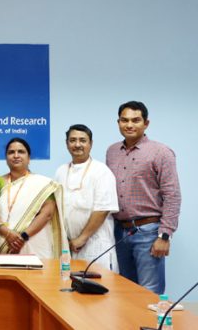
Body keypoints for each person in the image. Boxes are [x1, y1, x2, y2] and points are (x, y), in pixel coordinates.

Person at [106, 101, 181, 294]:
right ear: (118, 122)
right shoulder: (112, 152)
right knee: (124, 291)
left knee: (149, 292)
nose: (129, 125)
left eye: (135, 120)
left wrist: (165, 235)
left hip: (148, 231)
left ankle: (150, 325)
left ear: (146, 123)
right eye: (124, 120)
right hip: (119, 232)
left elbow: (172, 195)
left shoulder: (161, 152)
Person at [0, 138, 67, 259]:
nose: (16, 155)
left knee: (35, 277)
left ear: (29, 158)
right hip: (1, 240)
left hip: (33, 241)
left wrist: (23, 237)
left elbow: (47, 213)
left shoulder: (43, 184)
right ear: (6, 158)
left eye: (21, 152)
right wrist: (7, 233)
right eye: (11, 152)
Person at [54, 124, 119, 271]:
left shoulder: (102, 171)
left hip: (95, 245)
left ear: (91, 144)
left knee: (100, 289)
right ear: (66, 143)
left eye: (82, 140)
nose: (77, 145)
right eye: (72, 140)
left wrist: (82, 238)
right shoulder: (61, 171)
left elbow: (102, 209)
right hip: (69, 246)